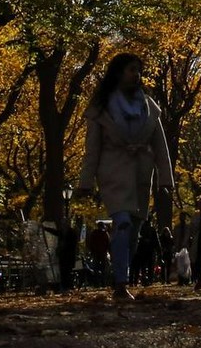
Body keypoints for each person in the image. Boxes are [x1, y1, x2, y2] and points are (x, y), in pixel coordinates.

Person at [76, 53, 174, 302]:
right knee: (122, 223)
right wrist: (86, 182)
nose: (136, 75)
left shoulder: (149, 106)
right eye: (131, 69)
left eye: (138, 70)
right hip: (113, 173)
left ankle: (122, 273)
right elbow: (92, 148)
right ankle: (120, 284)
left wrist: (165, 180)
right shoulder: (101, 107)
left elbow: (161, 146)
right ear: (118, 72)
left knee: (134, 232)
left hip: (142, 174)